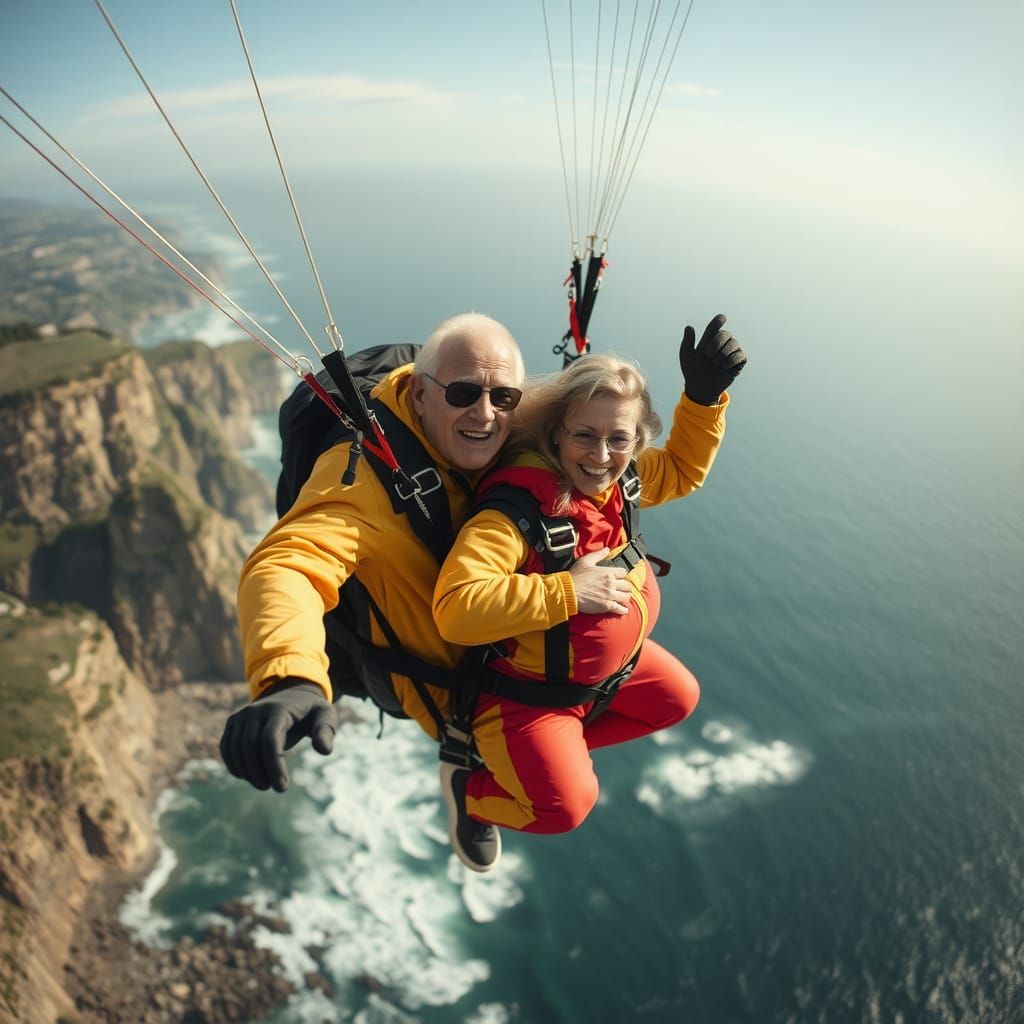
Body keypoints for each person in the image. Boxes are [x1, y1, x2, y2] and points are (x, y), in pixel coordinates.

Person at [431, 314, 746, 870]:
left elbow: (678, 469)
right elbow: (457, 610)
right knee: (563, 809)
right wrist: (566, 592)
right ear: (555, 434)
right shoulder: (515, 513)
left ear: (635, 440)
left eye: (618, 439)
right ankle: (470, 788)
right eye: (585, 436)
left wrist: (701, 399)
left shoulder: (617, 482)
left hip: (603, 676)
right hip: (526, 697)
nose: (601, 454)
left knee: (679, 698)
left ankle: (547, 753)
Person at [219, 313, 525, 852]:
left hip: (504, 632)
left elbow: (608, 440)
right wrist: (290, 678)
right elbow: (289, 563)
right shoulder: (362, 478)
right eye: (462, 393)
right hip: (444, 684)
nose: (484, 413)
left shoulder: (516, 427)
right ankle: (467, 770)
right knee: (548, 781)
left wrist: (703, 406)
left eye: (503, 397)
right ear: (419, 393)